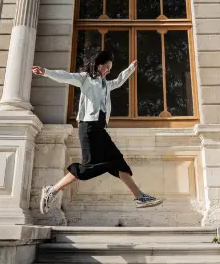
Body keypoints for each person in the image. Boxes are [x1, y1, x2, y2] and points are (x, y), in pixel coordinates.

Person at [32, 50, 163, 214]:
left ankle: (139, 197)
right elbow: (65, 76)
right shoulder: (85, 78)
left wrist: (130, 69)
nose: (108, 70)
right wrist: (46, 72)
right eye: (107, 67)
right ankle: (52, 190)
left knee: (117, 160)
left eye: (110, 68)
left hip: (100, 129)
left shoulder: (106, 84)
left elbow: (118, 81)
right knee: (88, 168)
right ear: (98, 64)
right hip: (88, 127)